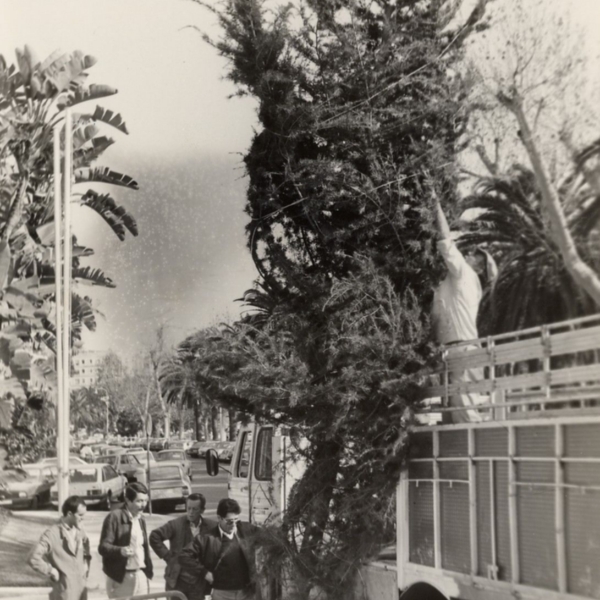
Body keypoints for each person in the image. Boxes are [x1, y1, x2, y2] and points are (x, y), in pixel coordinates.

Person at [430, 190, 497, 423]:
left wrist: (435, 202)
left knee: (465, 419)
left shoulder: (464, 274)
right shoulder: (458, 280)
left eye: (475, 255)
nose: (468, 253)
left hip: (461, 352)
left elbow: (445, 242)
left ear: (479, 267)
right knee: (453, 419)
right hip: (455, 352)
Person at [179, 498, 259, 600]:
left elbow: (270, 537)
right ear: (219, 518)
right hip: (221, 593)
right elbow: (184, 556)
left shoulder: (246, 529)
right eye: (229, 521)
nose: (234, 525)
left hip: (245, 592)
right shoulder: (207, 538)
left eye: (236, 520)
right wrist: (203, 572)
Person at [149, 493, 216, 600]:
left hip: (199, 583)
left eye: (195, 509)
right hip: (177, 581)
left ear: (202, 510)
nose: (190, 512)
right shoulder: (176, 524)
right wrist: (168, 557)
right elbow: (154, 536)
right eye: (188, 508)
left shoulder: (212, 527)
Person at [29, 495, 91, 600]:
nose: (83, 518)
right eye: (80, 515)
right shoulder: (51, 534)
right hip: (63, 594)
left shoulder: (80, 530)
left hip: (81, 592)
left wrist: (86, 566)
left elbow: (86, 547)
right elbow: (33, 557)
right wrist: (50, 570)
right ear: (69, 514)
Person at [98, 482, 153, 598]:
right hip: (122, 578)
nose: (143, 505)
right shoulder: (114, 517)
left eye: (145, 500)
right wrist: (120, 551)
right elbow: (103, 547)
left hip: (141, 575)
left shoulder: (141, 519)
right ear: (128, 500)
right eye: (139, 501)